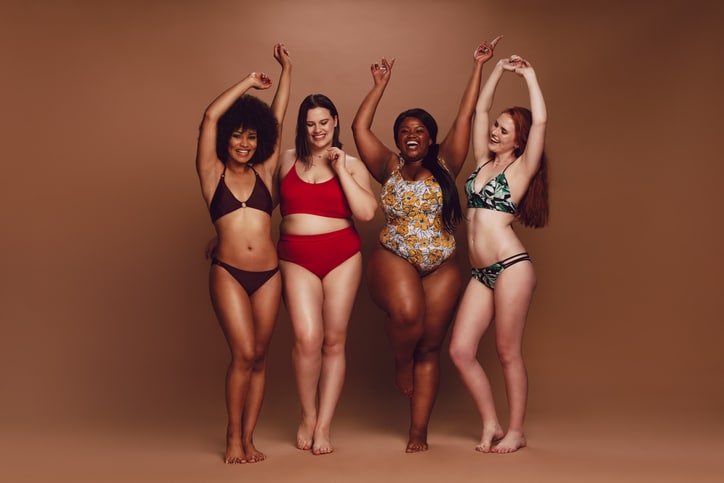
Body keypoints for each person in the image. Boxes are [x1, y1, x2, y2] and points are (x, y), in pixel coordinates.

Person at [350, 40, 497, 452]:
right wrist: (380, 85)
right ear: (397, 139)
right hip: (394, 255)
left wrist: (478, 66)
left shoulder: (447, 163)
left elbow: (465, 114)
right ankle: (401, 364)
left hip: (443, 263)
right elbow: (359, 129)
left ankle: (418, 434)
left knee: (430, 346)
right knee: (408, 314)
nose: (411, 135)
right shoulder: (387, 166)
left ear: (431, 139)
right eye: (404, 131)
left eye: (419, 131)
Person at [448, 45, 549, 454]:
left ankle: (516, 430)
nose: (495, 133)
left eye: (505, 131)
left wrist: (528, 76)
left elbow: (541, 119)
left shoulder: (520, 169)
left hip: (510, 267)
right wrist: (492, 69)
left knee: (507, 352)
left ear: (519, 141)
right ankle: (491, 422)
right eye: (497, 128)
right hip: (480, 273)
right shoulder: (480, 162)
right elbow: (480, 112)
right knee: (460, 350)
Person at [195, 43, 291, 464]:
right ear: (226, 138)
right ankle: (233, 437)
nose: (245, 143)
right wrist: (249, 82)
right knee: (244, 354)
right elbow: (210, 116)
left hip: (270, 274)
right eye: (238, 135)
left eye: (252, 136)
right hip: (229, 272)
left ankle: (250, 439)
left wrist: (287, 68)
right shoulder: (210, 173)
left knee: (261, 358)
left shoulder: (266, 171)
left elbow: (279, 115)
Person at [278, 94, 377, 455]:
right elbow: (256, 204)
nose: (317, 130)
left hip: (342, 256)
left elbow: (366, 212)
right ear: (302, 126)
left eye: (323, 122)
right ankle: (307, 415)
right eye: (310, 123)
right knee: (307, 338)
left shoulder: (351, 164)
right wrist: (226, 233)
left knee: (333, 341)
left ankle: (324, 426)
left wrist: (339, 168)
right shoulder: (287, 159)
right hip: (295, 256)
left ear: (335, 121)